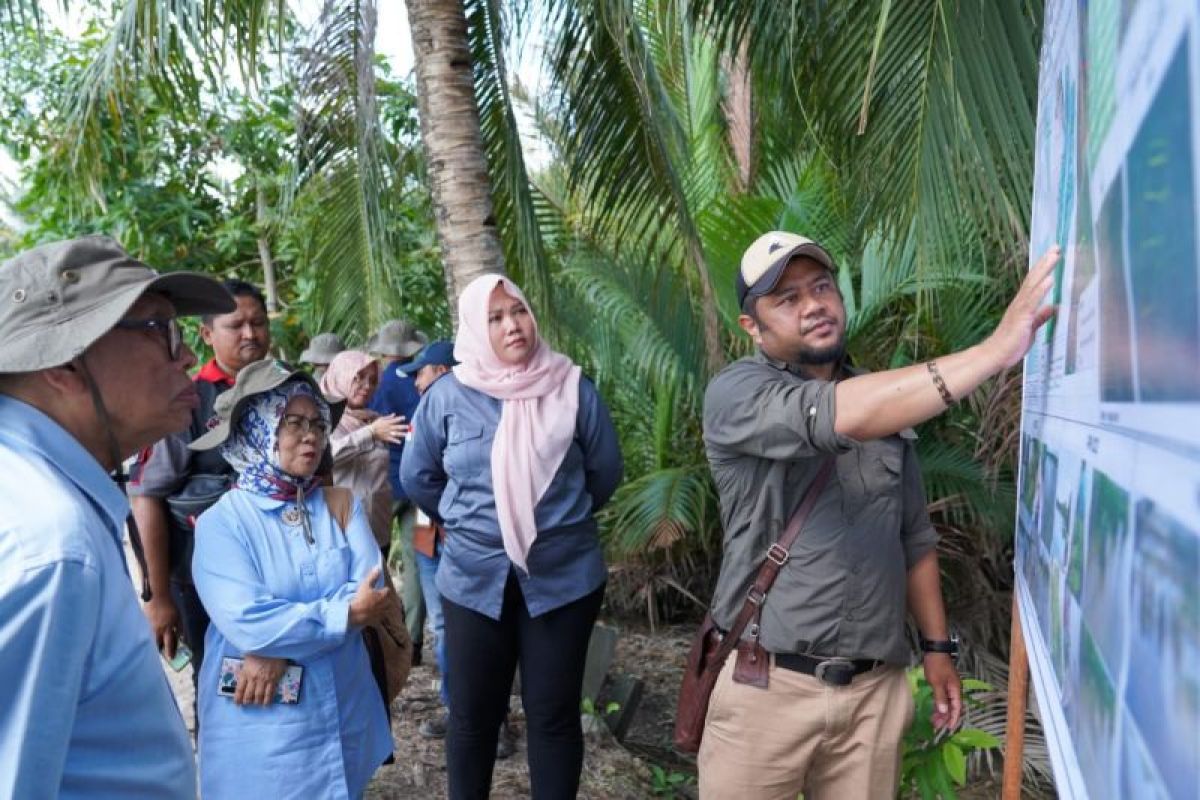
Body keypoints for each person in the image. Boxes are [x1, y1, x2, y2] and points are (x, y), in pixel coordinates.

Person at [697, 231, 1061, 799]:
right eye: (787, 299)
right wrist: (994, 352)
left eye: (821, 287)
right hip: (764, 685)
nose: (813, 304)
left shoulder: (888, 400)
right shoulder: (737, 393)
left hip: (874, 695)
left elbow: (913, 537)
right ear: (753, 327)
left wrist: (939, 650)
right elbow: (842, 416)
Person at [0, 235, 235, 797]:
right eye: (159, 329)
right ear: (63, 361)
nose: (185, 356)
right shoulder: (51, 548)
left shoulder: (41, 494)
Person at [402, 275, 624, 799]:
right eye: (495, 317)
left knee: (553, 714)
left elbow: (604, 472)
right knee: (473, 716)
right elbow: (419, 477)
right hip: (473, 578)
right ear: (476, 329)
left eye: (518, 311)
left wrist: (549, 524)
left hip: (563, 578)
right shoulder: (447, 397)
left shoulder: (572, 388)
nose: (512, 325)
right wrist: (479, 525)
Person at [188, 359, 394, 799]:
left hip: (342, 707)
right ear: (259, 432)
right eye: (293, 423)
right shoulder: (222, 523)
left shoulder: (339, 504)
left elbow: (369, 588)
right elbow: (249, 620)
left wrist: (278, 644)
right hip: (264, 731)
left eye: (318, 424)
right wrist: (338, 616)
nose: (312, 436)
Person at [128, 278, 271, 710]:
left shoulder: (288, 392)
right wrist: (160, 599)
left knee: (280, 682)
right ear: (207, 334)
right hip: (202, 583)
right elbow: (147, 496)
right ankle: (222, 769)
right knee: (221, 686)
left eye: (258, 323)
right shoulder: (188, 401)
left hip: (276, 579)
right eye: (236, 325)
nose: (250, 334)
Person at [397, 341, 456, 739]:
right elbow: (413, 477)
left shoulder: (467, 404)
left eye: (420, 371)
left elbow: (415, 476)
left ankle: (482, 715)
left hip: (454, 527)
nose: (416, 381)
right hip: (425, 523)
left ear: (440, 370)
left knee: (463, 623)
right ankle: (459, 707)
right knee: (443, 622)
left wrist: (451, 516)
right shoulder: (426, 409)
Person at [367, 319, 429, 661]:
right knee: (419, 556)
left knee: (372, 556)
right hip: (420, 484)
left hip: (384, 485)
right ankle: (415, 639)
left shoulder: (378, 382)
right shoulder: (424, 380)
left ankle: (378, 636)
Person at [321, 350, 410, 553]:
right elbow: (324, 457)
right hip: (345, 531)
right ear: (340, 376)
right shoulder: (325, 417)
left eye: (372, 380)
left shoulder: (371, 418)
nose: (367, 386)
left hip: (378, 528)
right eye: (358, 378)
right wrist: (370, 433)